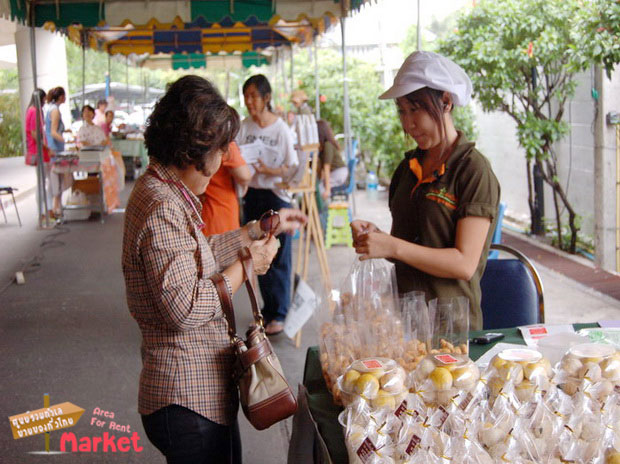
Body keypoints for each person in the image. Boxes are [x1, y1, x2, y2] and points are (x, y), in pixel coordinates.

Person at [122, 75, 305, 464]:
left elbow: (197, 254)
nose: (224, 160)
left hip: (196, 392)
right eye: (221, 150)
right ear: (194, 149)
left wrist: (253, 230)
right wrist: (247, 264)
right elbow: (186, 308)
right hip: (186, 397)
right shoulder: (162, 206)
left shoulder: (165, 191)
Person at [350, 51, 500, 331]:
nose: (408, 124)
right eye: (402, 111)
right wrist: (379, 240)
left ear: (445, 101)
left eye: (415, 109)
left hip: (452, 331)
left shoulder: (473, 171)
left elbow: (464, 263)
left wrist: (392, 246)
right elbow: (410, 246)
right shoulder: (407, 169)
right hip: (404, 323)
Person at [238, 74, 299, 336]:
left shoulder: (281, 129)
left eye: (254, 96)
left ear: (267, 98)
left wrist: (269, 170)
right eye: (246, 96)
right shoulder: (243, 127)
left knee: (278, 255)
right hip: (252, 194)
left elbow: (292, 169)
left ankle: (281, 313)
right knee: (258, 255)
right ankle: (267, 310)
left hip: (276, 197)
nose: (250, 101)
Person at [200, 141, 252, 236]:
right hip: (221, 211)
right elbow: (244, 176)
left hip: (197, 208)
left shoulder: (194, 138)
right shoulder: (223, 141)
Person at [45, 86, 71, 217]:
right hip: (55, 149)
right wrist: (66, 141)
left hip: (54, 148)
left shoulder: (51, 109)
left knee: (55, 180)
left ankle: (55, 208)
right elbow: (53, 132)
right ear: (61, 97)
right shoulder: (55, 111)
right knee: (56, 180)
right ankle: (55, 209)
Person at [316, 119, 348, 201]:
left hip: (339, 172)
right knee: (319, 185)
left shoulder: (328, 145)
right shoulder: (323, 146)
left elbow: (326, 167)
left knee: (320, 187)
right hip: (336, 173)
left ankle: (325, 210)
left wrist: (327, 189)